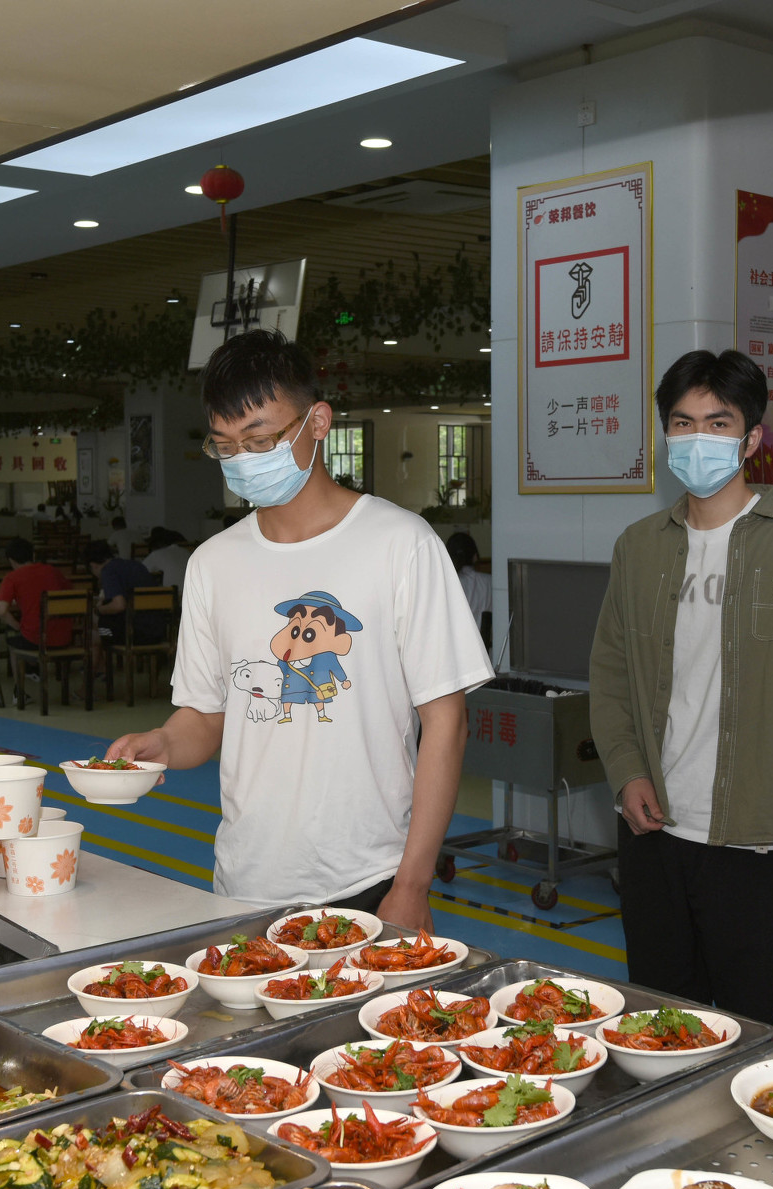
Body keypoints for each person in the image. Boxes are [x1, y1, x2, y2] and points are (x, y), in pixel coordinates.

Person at [107, 331, 492, 928]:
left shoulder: (400, 543)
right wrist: (162, 743)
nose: (244, 459)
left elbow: (447, 721)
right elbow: (206, 717)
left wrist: (412, 883)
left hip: (370, 877)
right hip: (244, 881)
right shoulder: (213, 563)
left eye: (260, 438)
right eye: (226, 445)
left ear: (318, 422)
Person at [589, 349, 773, 1034]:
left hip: (759, 839)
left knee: (756, 1029)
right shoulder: (639, 548)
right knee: (658, 1024)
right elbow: (611, 674)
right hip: (654, 831)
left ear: (750, 440)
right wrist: (626, 775)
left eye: (718, 424)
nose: (697, 439)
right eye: (682, 423)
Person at [85, 538, 166, 658]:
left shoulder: (108, 571)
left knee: (91, 635)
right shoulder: (136, 565)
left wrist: (98, 609)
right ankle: (101, 673)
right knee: (101, 628)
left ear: (93, 565)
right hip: (158, 630)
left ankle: (96, 674)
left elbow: (119, 605)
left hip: (133, 633)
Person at [0, 538, 75, 654]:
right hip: (63, 637)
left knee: (11, 633)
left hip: (35, 639)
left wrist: (18, 627)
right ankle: (33, 670)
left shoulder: (11, 578)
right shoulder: (53, 571)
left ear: (11, 560)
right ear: (32, 555)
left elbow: (2, 611)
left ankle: (24, 671)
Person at [445, 530, 491, 647]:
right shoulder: (490, 582)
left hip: (453, 652)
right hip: (485, 653)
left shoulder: (444, 583)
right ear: (475, 557)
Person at [144, 527, 190, 591]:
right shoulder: (185, 552)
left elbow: (141, 570)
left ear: (157, 543)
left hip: (171, 595)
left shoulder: (157, 554)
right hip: (191, 594)